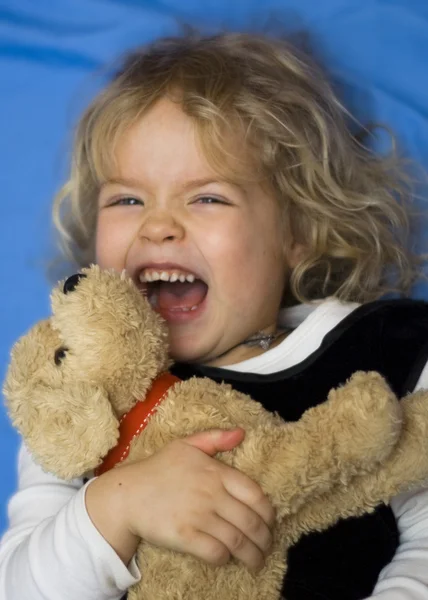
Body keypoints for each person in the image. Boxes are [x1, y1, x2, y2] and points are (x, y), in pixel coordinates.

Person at [1, 31, 428, 600]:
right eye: (128, 200)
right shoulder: (79, 395)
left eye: (207, 198)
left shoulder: (380, 353)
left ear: (295, 235)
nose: (158, 226)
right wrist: (117, 505)